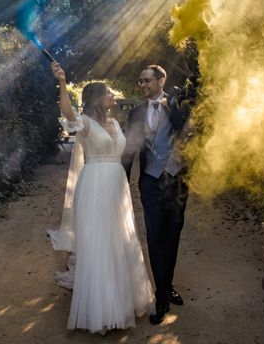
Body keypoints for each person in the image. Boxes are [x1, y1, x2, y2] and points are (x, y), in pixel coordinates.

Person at [47, 61, 154, 335]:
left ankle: (123, 299)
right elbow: (68, 113)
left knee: (120, 238)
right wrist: (62, 81)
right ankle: (102, 309)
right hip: (94, 185)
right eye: (108, 93)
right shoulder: (84, 123)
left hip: (117, 184)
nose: (112, 96)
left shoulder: (116, 122)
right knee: (99, 242)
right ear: (97, 98)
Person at [121, 64, 189, 325]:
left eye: (147, 80)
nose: (142, 85)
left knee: (172, 236)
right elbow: (130, 147)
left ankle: (167, 284)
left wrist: (176, 106)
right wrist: (122, 181)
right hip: (149, 181)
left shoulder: (179, 105)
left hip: (177, 181)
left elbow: (190, 133)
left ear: (162, 80)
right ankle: (162, 299)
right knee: (155, 237)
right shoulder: (137, 112)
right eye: (140, 81)